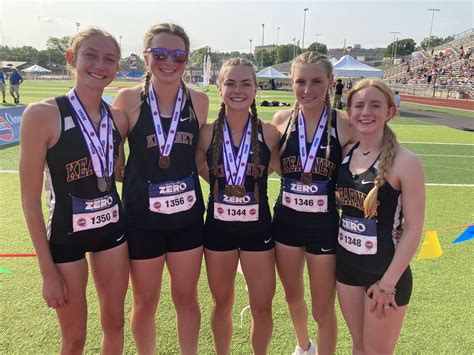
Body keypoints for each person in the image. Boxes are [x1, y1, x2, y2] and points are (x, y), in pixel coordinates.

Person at [19, 28, 129, 354]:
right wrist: (46, 271)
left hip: (112, 232)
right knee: (74, 338)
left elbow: (117, 173)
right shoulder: (42, 115)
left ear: (117, 68)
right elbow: (29, 200)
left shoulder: (118, 119)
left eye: (109, 59)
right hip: (66, 237)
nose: (100, 65)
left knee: (115, 325)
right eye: (91, 55)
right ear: (72, 58)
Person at [113, 23, 208, 355]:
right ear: (145, 57)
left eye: (178, 55)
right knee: (145, 300)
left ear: (187, 59)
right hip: (142, 220)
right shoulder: (127, 99)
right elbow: (113, 158)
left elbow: (197, 159)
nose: (170, 62)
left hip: (187, 220)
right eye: (161, 53)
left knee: (186, 297)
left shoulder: (199, 101)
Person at [271, 51, 354, 355]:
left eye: (317, 81)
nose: (308, 89)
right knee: (292, 295)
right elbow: (274, 165)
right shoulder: (281, 120)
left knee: (322, 307)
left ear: (331, 82)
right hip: (286, 223)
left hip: (324, 227)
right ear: (291, 83)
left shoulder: (344, 124)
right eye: (301, 81)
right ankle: (303, 345)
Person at [196, 58, 279, 355]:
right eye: (230, 83)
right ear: (220, 88)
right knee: (222, 303)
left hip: (259, 232)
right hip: (218, 230)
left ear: (256, 89)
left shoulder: (269, 133)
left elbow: (283, 168)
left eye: (246, 83)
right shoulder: (206, 133)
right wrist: (222, 187)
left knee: (262, 306)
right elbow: (198, 167)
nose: (238, 90)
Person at [336, 79, 424, 354]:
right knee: (359, 346)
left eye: (375, 105)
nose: (366, 112)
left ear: (389, 111)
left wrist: (387, 284)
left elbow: (413, 229)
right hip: (346, 268)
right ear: (349, 112)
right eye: (359, 105)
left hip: (385, 273)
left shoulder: (406, 161)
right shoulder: (346, 153)